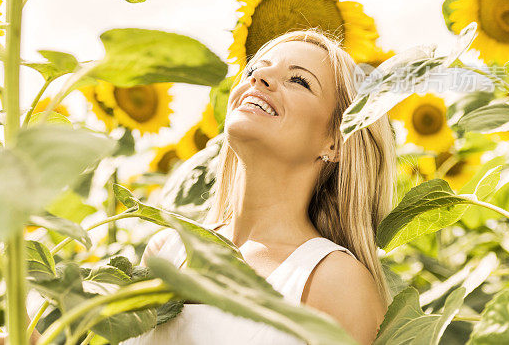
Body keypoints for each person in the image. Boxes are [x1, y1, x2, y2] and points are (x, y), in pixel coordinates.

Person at [121, 28, 396, 345]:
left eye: (299, 80)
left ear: (335, 141)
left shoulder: (335, 282)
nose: (259, 78)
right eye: (254, 69)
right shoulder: (167, 251)